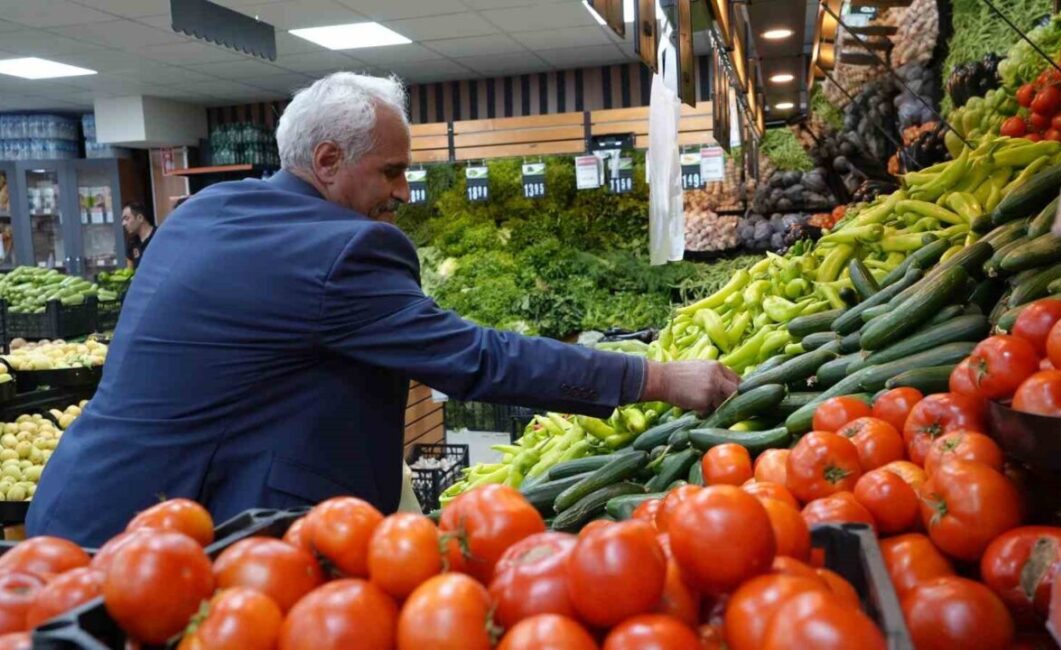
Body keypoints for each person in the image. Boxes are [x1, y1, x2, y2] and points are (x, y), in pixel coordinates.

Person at [26, 73, 740, 545]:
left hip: (84, 505)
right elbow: (477, 360)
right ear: (329, 161)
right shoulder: (343, 249)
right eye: (392, 172)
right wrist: (655, 379)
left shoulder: (204, 208)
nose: (403, 193)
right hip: (171, 535)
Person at [121, 201, 156, 270]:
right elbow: (129, 272)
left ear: (140, 218)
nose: (123, 223)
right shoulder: (131, 243)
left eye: (126, 218)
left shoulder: (159, 236)